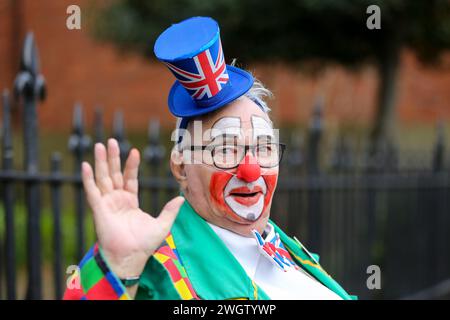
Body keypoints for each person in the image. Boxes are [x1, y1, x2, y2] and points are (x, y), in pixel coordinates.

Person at [63, 16, 354, 300]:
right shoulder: (156, 277)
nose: (250, 170)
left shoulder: (290, 253)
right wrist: (119, 266)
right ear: (181, 166)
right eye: (225, 149)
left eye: (264, 147)